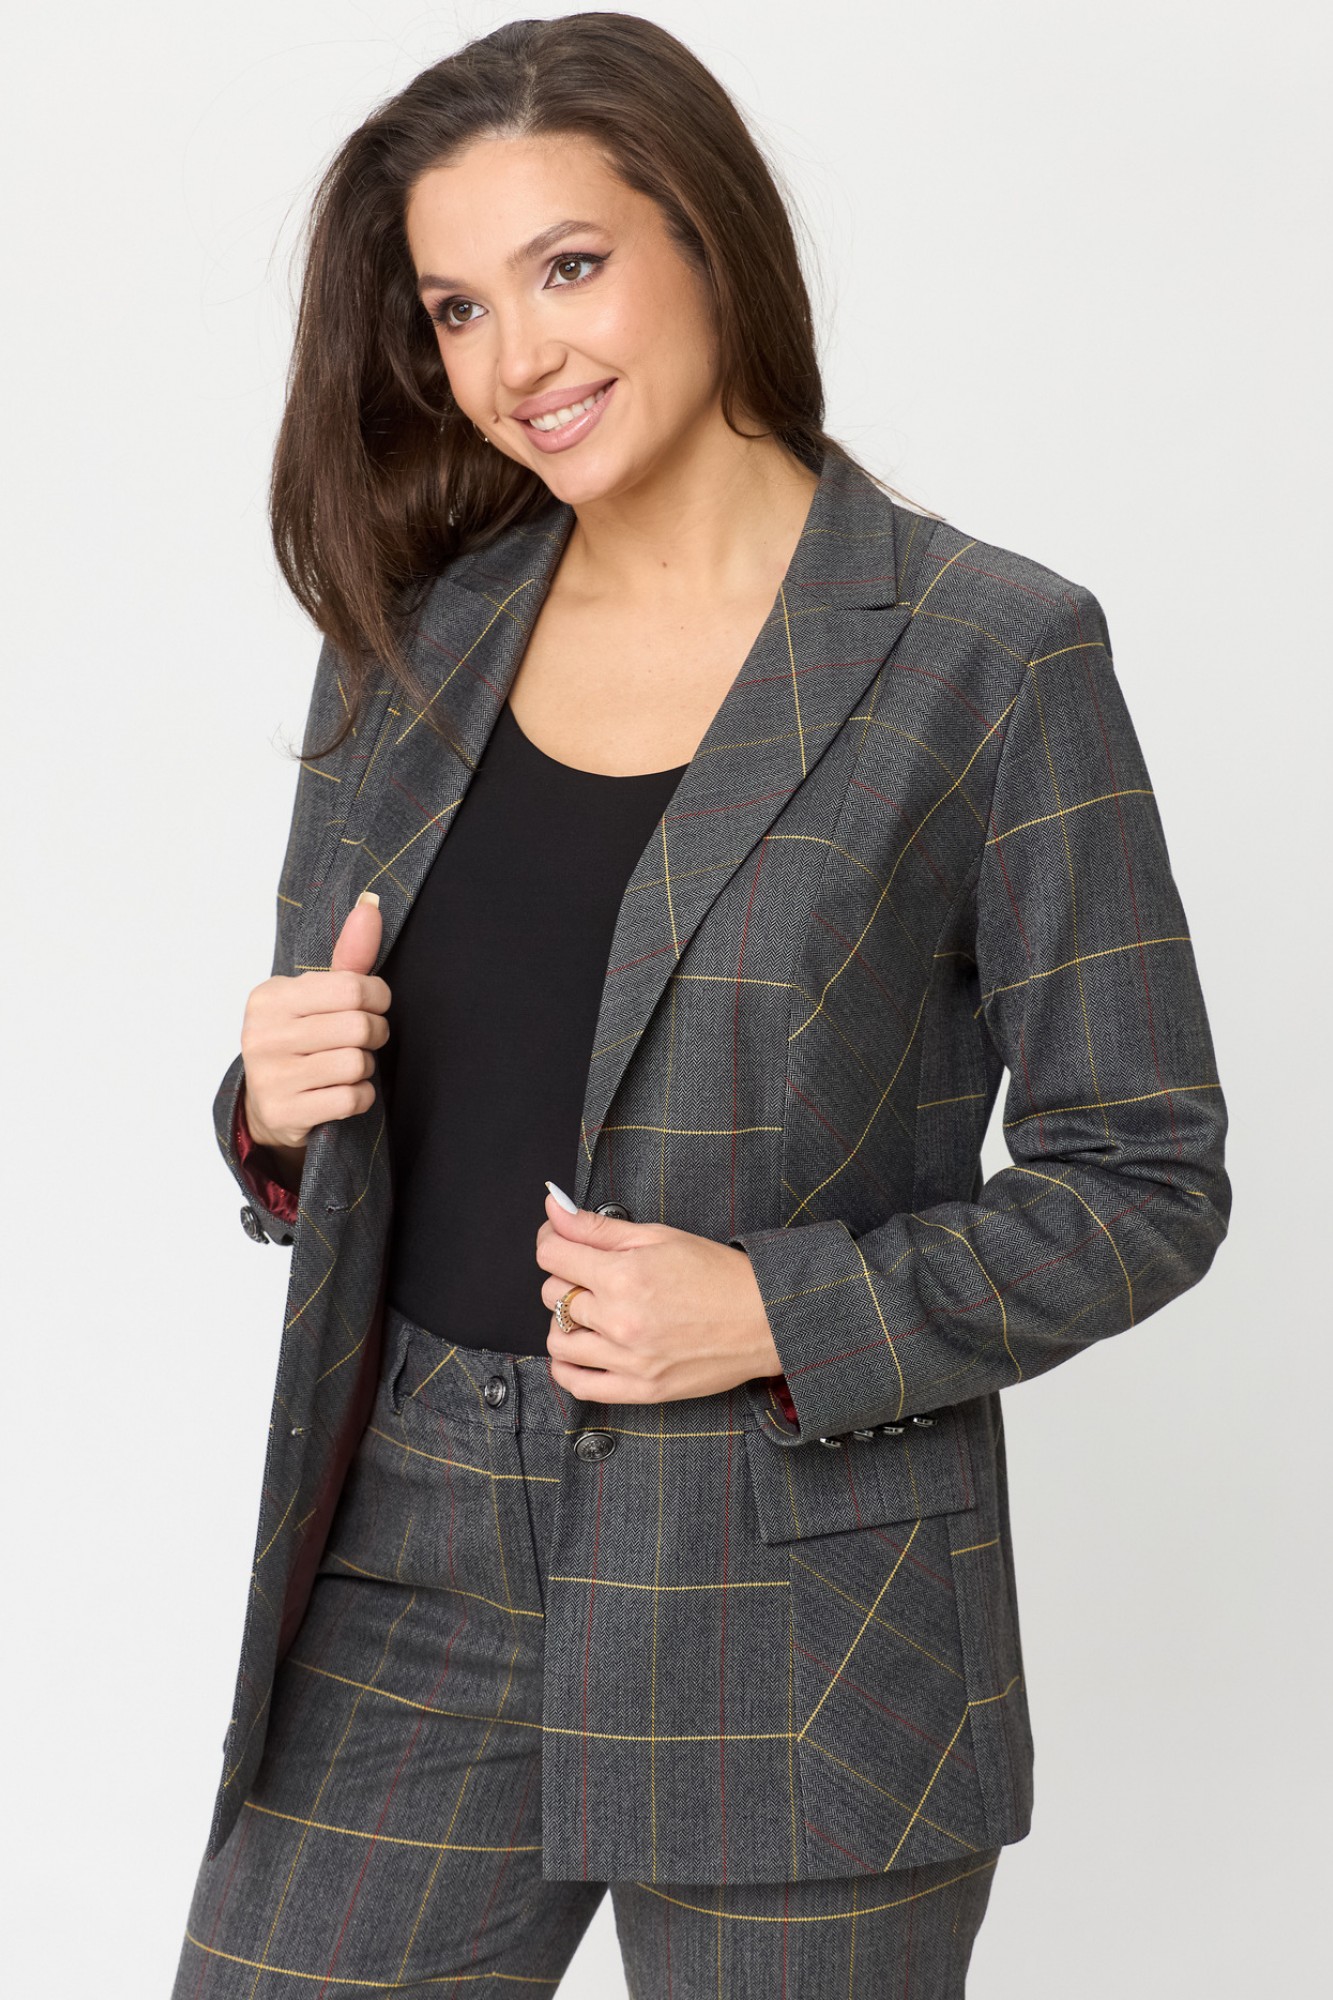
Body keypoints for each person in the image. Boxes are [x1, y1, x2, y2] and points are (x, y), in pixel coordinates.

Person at [170, 13, 1232, 1996]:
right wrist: (271, 1111)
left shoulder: (984, 656)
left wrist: (779, 1313)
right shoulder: (411, 640)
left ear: (710, 237)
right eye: (458, 307)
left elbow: (1146, 1175)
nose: (518, 357)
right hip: (408, 1546)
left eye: (568, 266)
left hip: (799, 1601)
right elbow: (378, 1101)